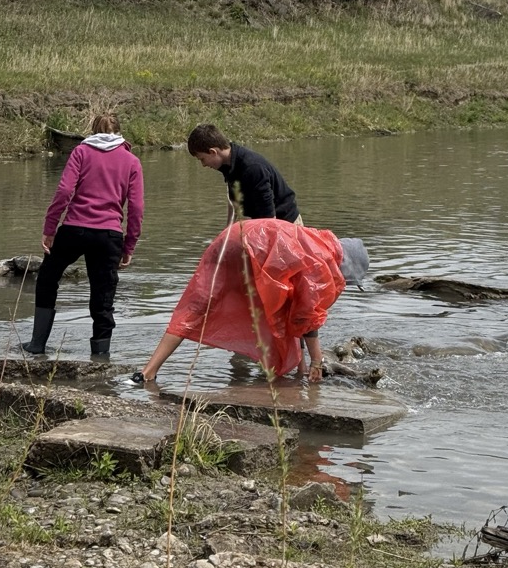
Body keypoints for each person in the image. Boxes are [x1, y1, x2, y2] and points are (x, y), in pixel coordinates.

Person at [135, 218, 347, 384]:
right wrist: (316, 361)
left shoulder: (311, 239)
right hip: (255, 246)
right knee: (282, 310)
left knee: (196, 308)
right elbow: (305, 315)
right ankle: (297, 372)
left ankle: (148, 371)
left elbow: (295, 311)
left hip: (230, 237)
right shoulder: (320, 259)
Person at [22, 112, 143, 359]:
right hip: (109, 235)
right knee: (103, 294)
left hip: (74, 229)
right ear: (119, 132)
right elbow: (137, 208)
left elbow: (64, 191)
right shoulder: (132, 161)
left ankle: (37, 344)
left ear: (93, 130)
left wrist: (49, 228)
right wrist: (129, 245)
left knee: (47, 278)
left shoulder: (81, 152)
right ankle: (100, 355)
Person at [186, 123, 301, 224]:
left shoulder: (252, 168)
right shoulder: (228, 165)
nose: (203, 165)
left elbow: (269, 217)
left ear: (213, 152)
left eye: (202, 159)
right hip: (260, 221)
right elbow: (233, 200)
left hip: (284, 224)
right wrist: (228, 230)